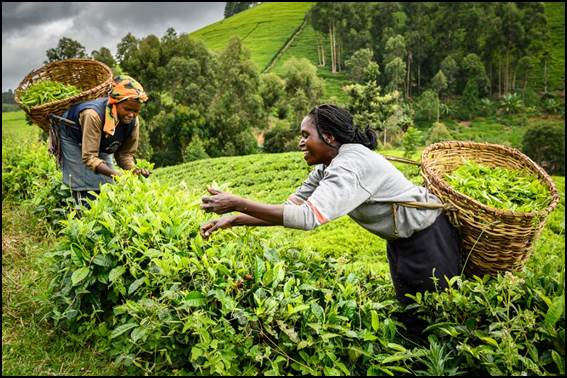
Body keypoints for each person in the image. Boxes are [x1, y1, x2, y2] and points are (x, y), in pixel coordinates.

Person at [200, 104, 461, 333]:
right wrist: (234, 219)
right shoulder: (326, 167)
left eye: (306, 135)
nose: (301, 142)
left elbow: (307, 218)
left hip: (428, 240)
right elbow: (289, 208)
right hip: (399, 241)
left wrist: (236, 202)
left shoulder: (349, 165)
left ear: (328, 136)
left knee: (436, 322)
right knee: (411, 317)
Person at [52, 75, 151, 207]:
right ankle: (82, 213)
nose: (131, 114)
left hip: (102, 140)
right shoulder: (92, 115)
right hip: (73, 137)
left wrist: (134, 170)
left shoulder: (133, 122)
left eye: (136, 111)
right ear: (114, 104)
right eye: (127, 109)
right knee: (84, 183)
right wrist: (115, 173)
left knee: (107, 183)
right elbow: (89, 158)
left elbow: (124, 155)